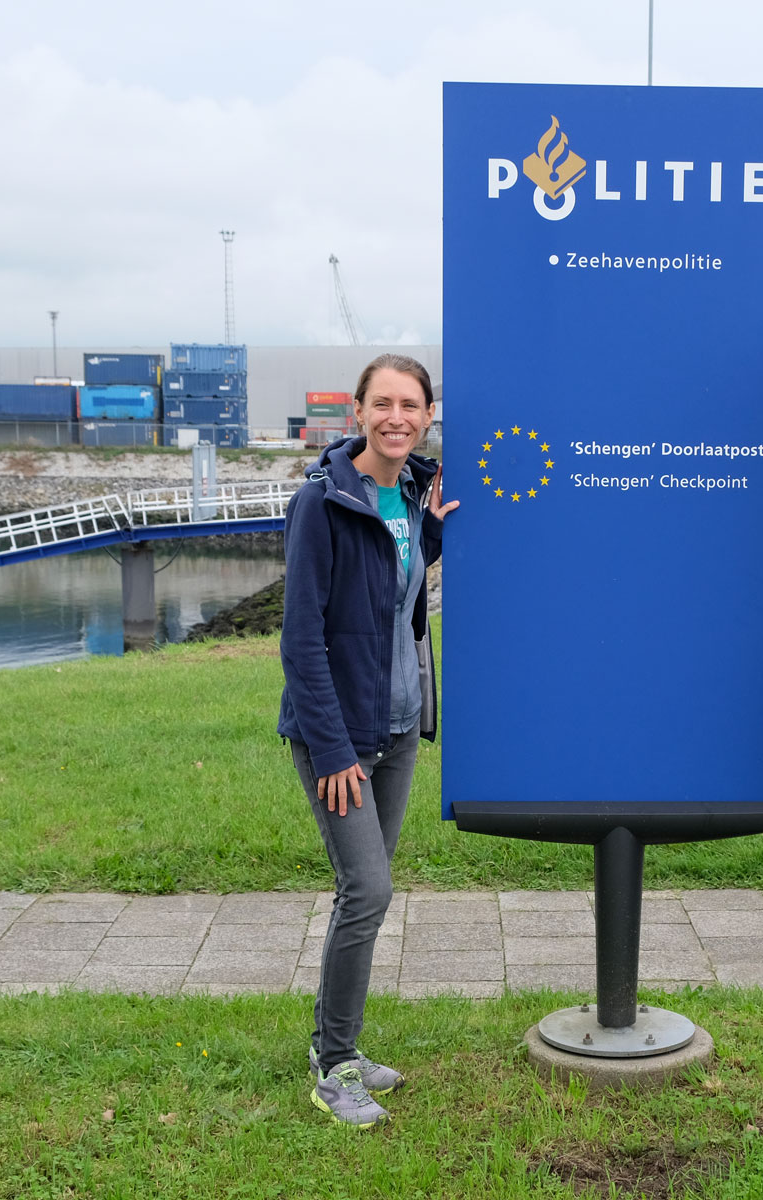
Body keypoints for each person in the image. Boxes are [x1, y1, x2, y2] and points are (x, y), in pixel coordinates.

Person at [279, 352, 457, 1129]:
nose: (397, 417)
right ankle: (331, 1065)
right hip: (342, 738)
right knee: (369, 890)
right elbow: (302, 639)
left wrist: (432, 541)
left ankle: (340, 1049)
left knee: (366, 895)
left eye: (410, 405)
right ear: (357, 411)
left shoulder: (414, 493)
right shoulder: (320, 502)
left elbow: (391, 591)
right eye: (382, 403)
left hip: (399, 728)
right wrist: (332, 749)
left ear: (425, 415)